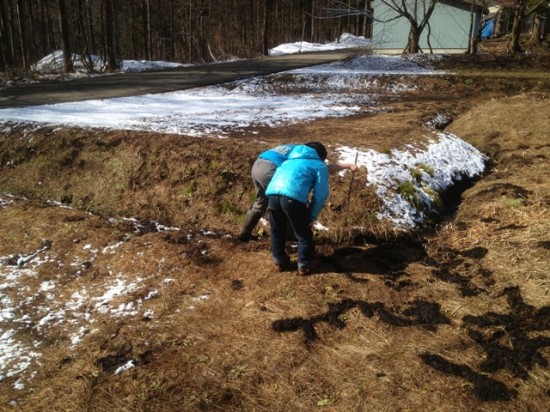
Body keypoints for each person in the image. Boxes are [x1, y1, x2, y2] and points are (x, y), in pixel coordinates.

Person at [237, 143, 358, 242]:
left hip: (258, 165)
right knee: (290, 200)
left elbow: (323, 167)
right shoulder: (304, 156)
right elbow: (322, 168)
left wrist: (346, 165)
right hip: (272, 168)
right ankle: (290, 238)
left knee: (261, 202)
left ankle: (244, 234)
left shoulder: (297, 150)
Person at [265, 142, 329, 275]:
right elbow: (321, 194)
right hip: (292, 198)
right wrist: (311, 216)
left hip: (272, 195)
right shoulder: (319, 165)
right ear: (321, 156)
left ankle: (280, 261)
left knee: (277, 229)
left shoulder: (288, 161)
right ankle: (306, 263)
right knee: (303, 232)